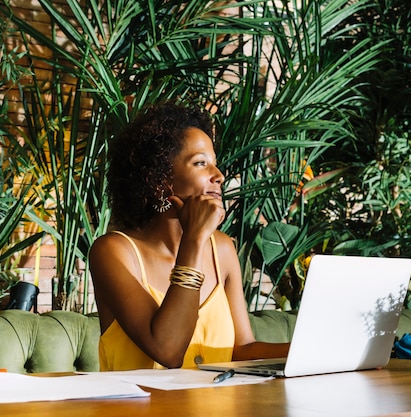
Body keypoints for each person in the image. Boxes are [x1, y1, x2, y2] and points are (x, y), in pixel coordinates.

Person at [89, 101, 290, 371]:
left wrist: (314, 349)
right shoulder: (114, 252)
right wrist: (194, 239)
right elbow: (167, 351)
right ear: (160, 179)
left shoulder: (222, 249)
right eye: (200, 163)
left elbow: (241, 349)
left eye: (215, 165)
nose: (218, 176)